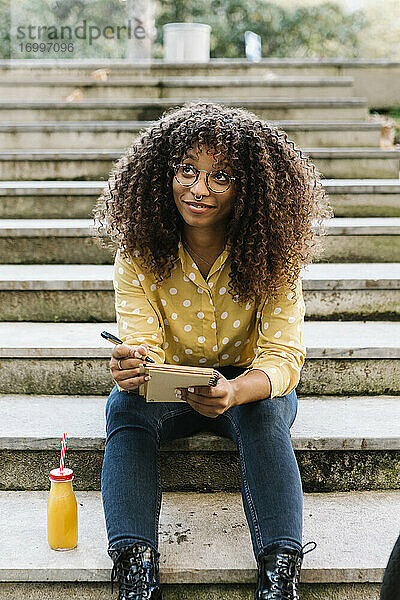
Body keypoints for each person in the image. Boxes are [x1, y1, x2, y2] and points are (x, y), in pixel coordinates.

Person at [94, 100, 332, 600]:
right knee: (124, 409)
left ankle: (279, 572)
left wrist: (237, 389)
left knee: (265, 416)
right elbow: (143, 342)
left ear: (249, 189)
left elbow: (283, 356)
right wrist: (134, 365)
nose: (199, 189)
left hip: (247, 383)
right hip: (172, 382)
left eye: (220, 176)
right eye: (187, 170)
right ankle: (136, 570)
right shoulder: (139, 251)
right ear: (165, 174)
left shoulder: (272, 252)